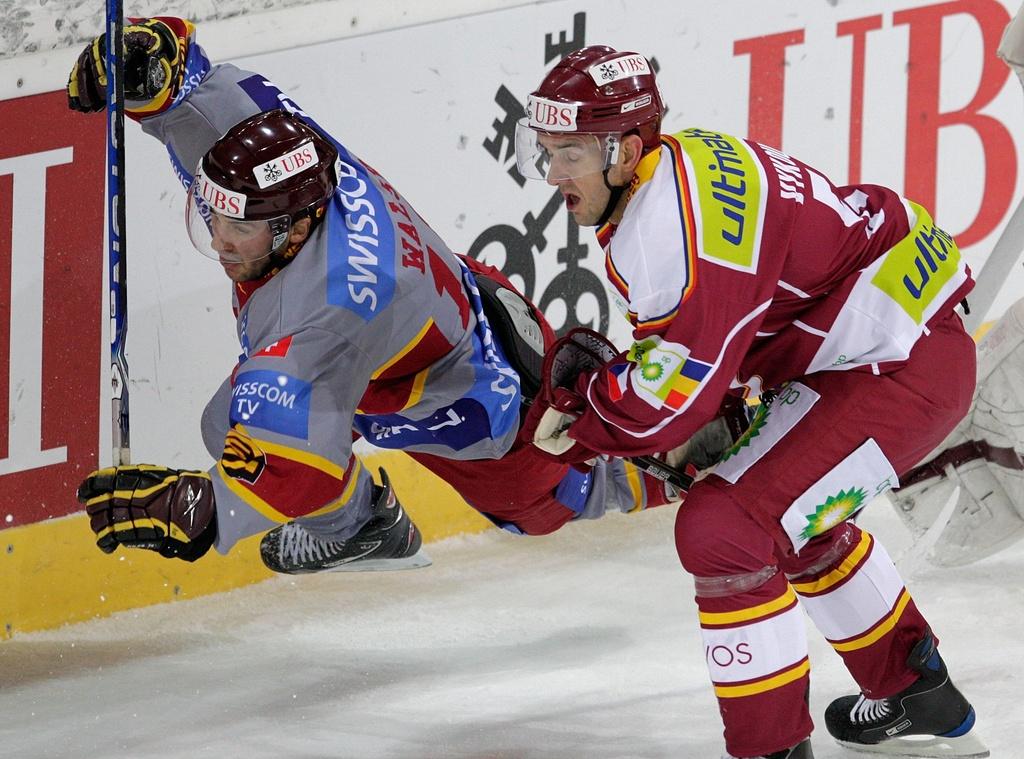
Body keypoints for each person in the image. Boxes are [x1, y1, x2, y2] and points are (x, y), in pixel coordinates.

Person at [66, 19, 743, 576]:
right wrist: (152, 73)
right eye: (210, 215)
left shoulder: (329, 311)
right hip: (438, 326)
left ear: (297, 226)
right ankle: (365, 520)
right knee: (229, 423)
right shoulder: (290, 158)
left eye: (238, 225)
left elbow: (290, 469)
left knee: (544, 504)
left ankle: (684, 456)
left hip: (477, 414)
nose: (219, 239)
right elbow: (205, 89)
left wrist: (208, 509)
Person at [516, 46, 989, 759]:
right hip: (876, 347)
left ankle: (771, 748)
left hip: (899, 364)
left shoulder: (670, 225)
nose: (553, 174)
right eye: (545, 150)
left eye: (571, 152)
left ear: (627, 148)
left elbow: (672, 399)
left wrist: (591, 414)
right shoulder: (675, 172)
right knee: (777, 510)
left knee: (724, 526)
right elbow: (719, 347)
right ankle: (911, 687)